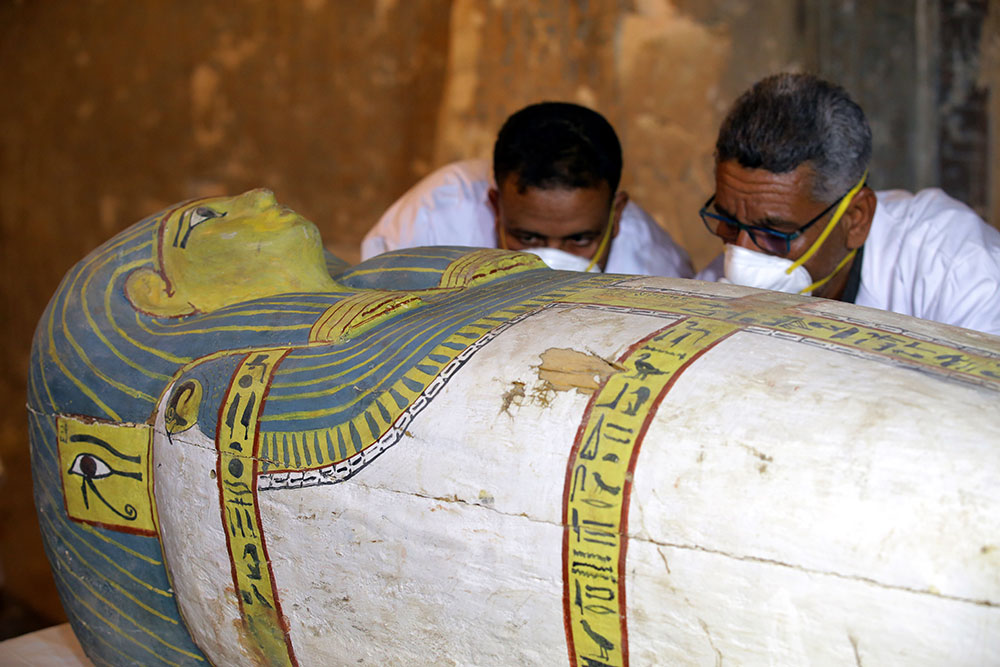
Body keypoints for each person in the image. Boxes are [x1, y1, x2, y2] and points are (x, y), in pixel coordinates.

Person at [696, 72, 1000, 336]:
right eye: (729, 223)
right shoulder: (716, 282)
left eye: (776, 234)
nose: (741, 255)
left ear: (856, 219)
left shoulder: (958, 274)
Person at [361, 101, 693, 277]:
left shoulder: (656, 271)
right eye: (527, 238)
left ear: (616, 214)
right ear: (495, 205)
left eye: (579, 240)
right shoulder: (430, 221)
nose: (549, 261)